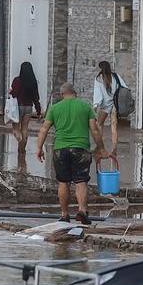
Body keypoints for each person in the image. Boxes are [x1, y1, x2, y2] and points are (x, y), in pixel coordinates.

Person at [36, 82, 111, 225]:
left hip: (60, 149)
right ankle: (82, 211)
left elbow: (44, 129)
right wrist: (101, 148)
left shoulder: (55, 108)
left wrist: (39, 148)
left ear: (62, 94)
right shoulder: (85, 106)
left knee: (63, 182)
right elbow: (94, 130)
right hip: (81, 149)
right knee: (81, 182)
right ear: (75, 93)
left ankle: (64, 215)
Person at [92, 61, 128, 153]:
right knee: (114, 127)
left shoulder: (99, 78)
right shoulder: (115, 76)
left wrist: (95, 105)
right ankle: (114, 148)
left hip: (105, 106)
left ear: (100, 68)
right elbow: (124, 87)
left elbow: (98, 95)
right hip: (115, 105)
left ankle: (100, 147)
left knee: (99, 124)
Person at [7, 62, 42, 155]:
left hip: (18, 107)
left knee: (15, 129)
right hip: (29, 108)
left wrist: (10, 91)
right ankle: (21, 150)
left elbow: (14, 94)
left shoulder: (17, 80)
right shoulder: (33, 82)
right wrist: (38, 111)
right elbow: (36, 98)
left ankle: (20, 140)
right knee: (25, 129)